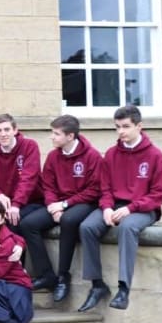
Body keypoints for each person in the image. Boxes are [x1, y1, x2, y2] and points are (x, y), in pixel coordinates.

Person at [78, 105, 162, 312]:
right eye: (117, 127)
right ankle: (97, 285)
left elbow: (157, 195)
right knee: (87, 227)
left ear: (139, 126)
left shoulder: (155, 155)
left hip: (143, 209)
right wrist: (107, 208)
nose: (121, 132)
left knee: (127, 228)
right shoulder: (111, 154)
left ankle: (123, 289)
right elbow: (105, 188)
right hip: (115, 205)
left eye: (126, 126)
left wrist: (131, 208)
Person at [18, 115, 101, 301]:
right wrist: (52, 206)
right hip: (57, 204)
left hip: (84, 203)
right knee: (28, 224)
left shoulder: (92, 156)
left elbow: (94, 190)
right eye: (52, 132)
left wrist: (64, 205)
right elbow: (48, 186)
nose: (52, 137)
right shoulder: (53, 156)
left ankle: (63, 276)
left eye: (56, 134)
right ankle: (46, 275)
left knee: (68, 220)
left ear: (70, 136)